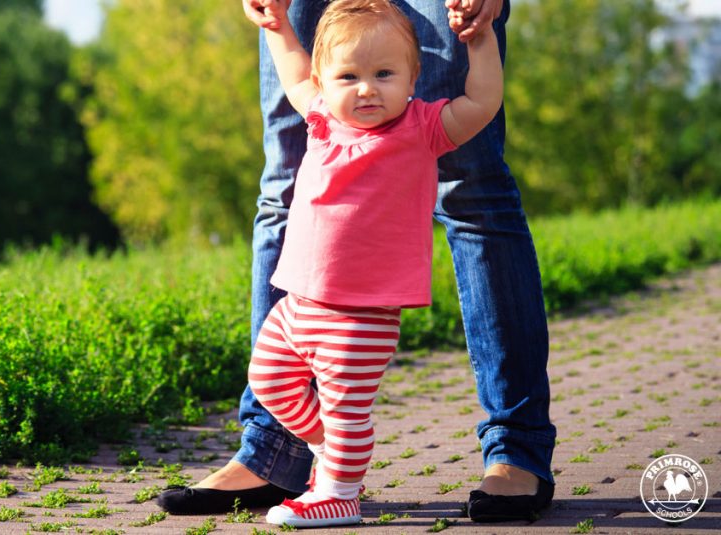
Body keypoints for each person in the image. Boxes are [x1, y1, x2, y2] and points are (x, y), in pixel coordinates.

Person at [158, 0, 556, 524]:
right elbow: (298, 72)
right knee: (273, 368)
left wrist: (478, 39)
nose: (366, 88)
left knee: (472, 185)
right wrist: (278, 25)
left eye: (384, 75)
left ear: (415, 76)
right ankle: (288, 454)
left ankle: (349, 488)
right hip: (299, 305)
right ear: (326, 82)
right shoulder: (321, 114)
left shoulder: (422, 126)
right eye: (349, 77)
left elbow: (479, 103)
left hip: (361, 316)